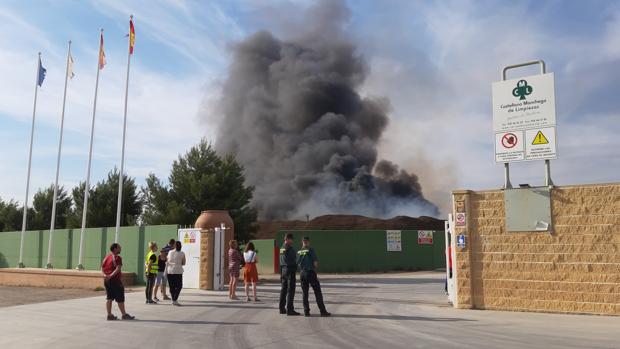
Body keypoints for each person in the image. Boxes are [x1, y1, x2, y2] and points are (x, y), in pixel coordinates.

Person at [297, 236, 330, 317]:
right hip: (310, 272)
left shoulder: (298, 252)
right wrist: (314, 267)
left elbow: (297, 263)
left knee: (305, 293)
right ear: (308, 242)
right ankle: (323, 311)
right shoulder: (311, 250)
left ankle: (306, 311)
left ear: (302, 242)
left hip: (302, 273)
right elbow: (315, 263)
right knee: (317, 292)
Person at [101, 243, 134, 320]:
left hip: (107, 281)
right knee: (120, 298)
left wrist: (105, 275)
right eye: (119, 247)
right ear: (115, 249)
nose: (120, 249)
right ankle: (124, 315)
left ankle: (109, 315)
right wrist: (110, 276)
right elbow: (118, 269)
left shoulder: (106, 257)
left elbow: (102, 268)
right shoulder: (117, 258)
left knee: (109, 298)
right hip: (115, 281)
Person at [279, 233, 300, 316]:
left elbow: (281, 261)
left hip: (283, 270)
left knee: (284, 290)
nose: (292, 241)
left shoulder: (282, 248)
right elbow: (292, 260)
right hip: (290, 270)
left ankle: (281, 308)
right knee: (290, 290)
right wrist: (297, 266)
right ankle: (290, 310)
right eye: (291, 239)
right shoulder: (288, 248)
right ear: (287, 239)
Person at [166, 240, 186, 306]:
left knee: (172, 286)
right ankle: (175, 299)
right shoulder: (182, 253)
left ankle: (173, 300)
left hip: (170, 271)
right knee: (179, 286)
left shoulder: (170, 252)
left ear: (175, 245)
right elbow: (184, 263)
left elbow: (167, 260)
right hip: (178, 271)